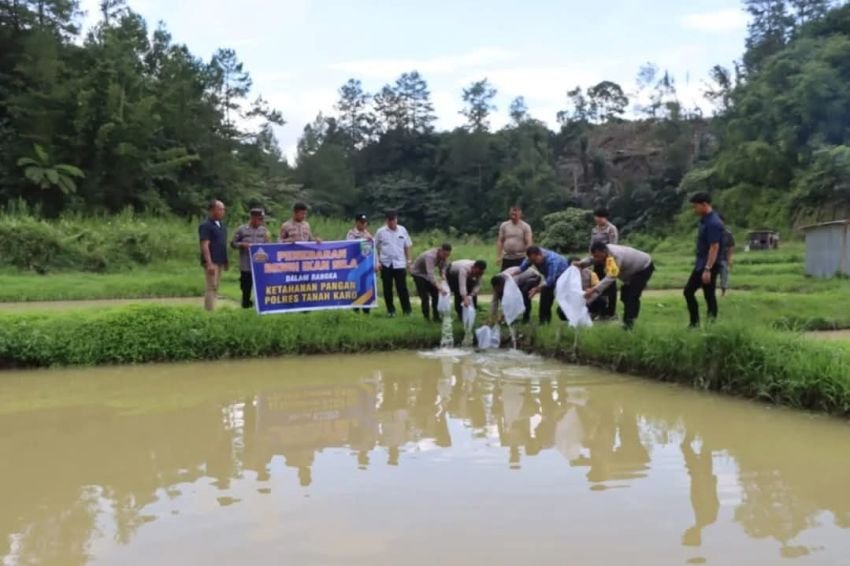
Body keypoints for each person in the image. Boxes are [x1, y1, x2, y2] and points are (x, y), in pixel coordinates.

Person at [576, 243, 655, 329]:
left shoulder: (616, 256)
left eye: (598, 256)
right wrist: (581, 264)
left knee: (631, 296)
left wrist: (594, 289)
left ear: (604, 251)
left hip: (643, 268)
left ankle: (629, 324)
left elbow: (611, 277)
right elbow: (591, 259)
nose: (596, 259)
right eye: (594, 256)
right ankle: (628, 320)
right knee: (625, 295)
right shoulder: (603, 252)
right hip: (630, 271)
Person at [684, 192, 724, 328]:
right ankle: (699, 324)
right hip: (702, 263)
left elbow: (714, 247)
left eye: (695, 207)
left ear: (704, 205)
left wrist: (707, 269)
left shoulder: (713, 223)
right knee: (705, 294)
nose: (694, 210)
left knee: (695, 292)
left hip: (708, 264)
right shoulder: (705, 220)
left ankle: (702, 325)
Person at [374, 212, 413, 318]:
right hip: (386, 263)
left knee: (402, 288)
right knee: (387, 288)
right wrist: (377, 262)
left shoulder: (402, 230)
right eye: (390, 221)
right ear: (386, 221)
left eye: (394, 220)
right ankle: (390, 310)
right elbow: (374, 247)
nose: (392, 223)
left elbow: (407, 246)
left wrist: (409, 261)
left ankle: (407, 310)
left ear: (396, 220)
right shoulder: (380, 232)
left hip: (400, 263)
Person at [516, 246, 569, 324]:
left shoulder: (552, 261)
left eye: (535, 260)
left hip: (564, 278)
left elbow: (550, 281)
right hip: (550, 278)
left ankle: (571, 320)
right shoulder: (532, 257)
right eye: (532, 261)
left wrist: (536, 289)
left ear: (540, 255)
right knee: (545, 297)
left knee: (564, 304)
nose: (534, 263)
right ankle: (543, 322)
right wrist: (509, 275)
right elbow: (521, 269)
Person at [230, 208, 271, 309]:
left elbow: (269, 246)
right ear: (253, 218)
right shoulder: (242, 229)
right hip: (246, 265)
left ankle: (260, 307)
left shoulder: (264, 230)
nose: (261, 221)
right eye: (259, 219)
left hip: (260, 265)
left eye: (262, 219)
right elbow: (233, 243)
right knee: (246, 288)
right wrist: (242, 245)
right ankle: (245, 306)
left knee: (261, 287)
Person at [198, 200, 228, 312]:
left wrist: (225, 261)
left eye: (223, 209)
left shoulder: (222, 225)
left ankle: (212, 307)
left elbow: (222, 244)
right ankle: (209, 311)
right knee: (211, 286)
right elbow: (205, 245)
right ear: (212, 210)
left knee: (216, 286)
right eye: (220, 209)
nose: (222, 211)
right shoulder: (205, 225)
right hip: (212, 260)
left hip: (220, 260)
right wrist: (209, 263)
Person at [590, 208, 619, 320]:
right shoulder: (594, 229)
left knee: (610, 286)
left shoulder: (611, 229)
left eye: (598, 216)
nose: (596, 219)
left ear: (604, 217)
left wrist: (607, 258)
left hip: (608, 260)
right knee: (597, 284)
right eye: (595, 217)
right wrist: (592, 258)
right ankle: (599, 310)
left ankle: (610, 312)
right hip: (597, 260)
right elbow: (591, 245)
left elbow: (613, 245)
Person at [411, 243, 452, 322]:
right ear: (440, 250)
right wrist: (439, 287)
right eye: (444, 255)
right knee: (425, 297)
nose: (445, 257)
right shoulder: (430, 256)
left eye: (447, 255)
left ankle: (436, 317)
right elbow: (430, 274)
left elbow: (443, 267)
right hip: (419, 274)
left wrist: (443, 274)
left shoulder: (443, 257)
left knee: (435, 295)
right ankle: (426, 317)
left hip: (427, 274)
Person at [347, 213, 373, 315]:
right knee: (356, 287)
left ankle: (366, 309)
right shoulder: (351, 233)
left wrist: (376, 263)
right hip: (355, 265)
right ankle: (356, 309)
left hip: (366, 266)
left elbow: (372, 250)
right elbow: (351, 245)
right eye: (362, 222)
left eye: (365, 222)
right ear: (357, 222)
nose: (364, 225)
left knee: (366, 286)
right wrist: (363, 241)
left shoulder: (368, 234)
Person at [496, 206, 533, 271]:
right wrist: (499, 256)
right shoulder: (504, 225)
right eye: (512, 213)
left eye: (515, 213)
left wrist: (529, 257)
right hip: (507, 257)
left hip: (520, 257)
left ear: (520, 214)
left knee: (519, 276)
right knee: (504, 276)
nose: (513, 215)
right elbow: (500, 240)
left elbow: (529, 242)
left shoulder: (525, 226)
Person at [718, 217, 735, 297]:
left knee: (724, 276)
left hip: (723, 258)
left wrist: (730, 258)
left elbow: (731, 246)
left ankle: (723, 293)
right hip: (713, 259)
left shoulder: (728, 234)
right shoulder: (712, 232)